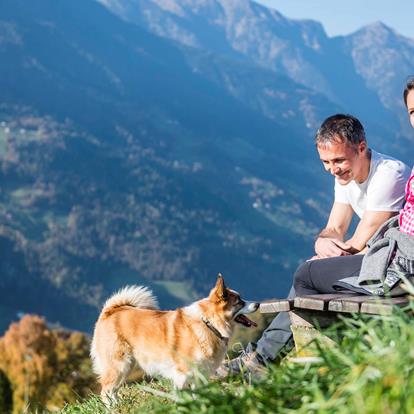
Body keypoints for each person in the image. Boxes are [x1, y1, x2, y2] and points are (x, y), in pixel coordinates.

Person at [217, 113, 410, 377]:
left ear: (362, 147)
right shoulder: (345, 175)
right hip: (377, 262)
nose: (333, 169)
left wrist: (326, 259)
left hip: (390, 267)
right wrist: (323, 244)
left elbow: (361, 239)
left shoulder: (389, 174)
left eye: (339, 160)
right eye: (326, 162)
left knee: (305, 276)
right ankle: (264, 359)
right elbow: (334, 229)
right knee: (309, 274)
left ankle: (264, 360)